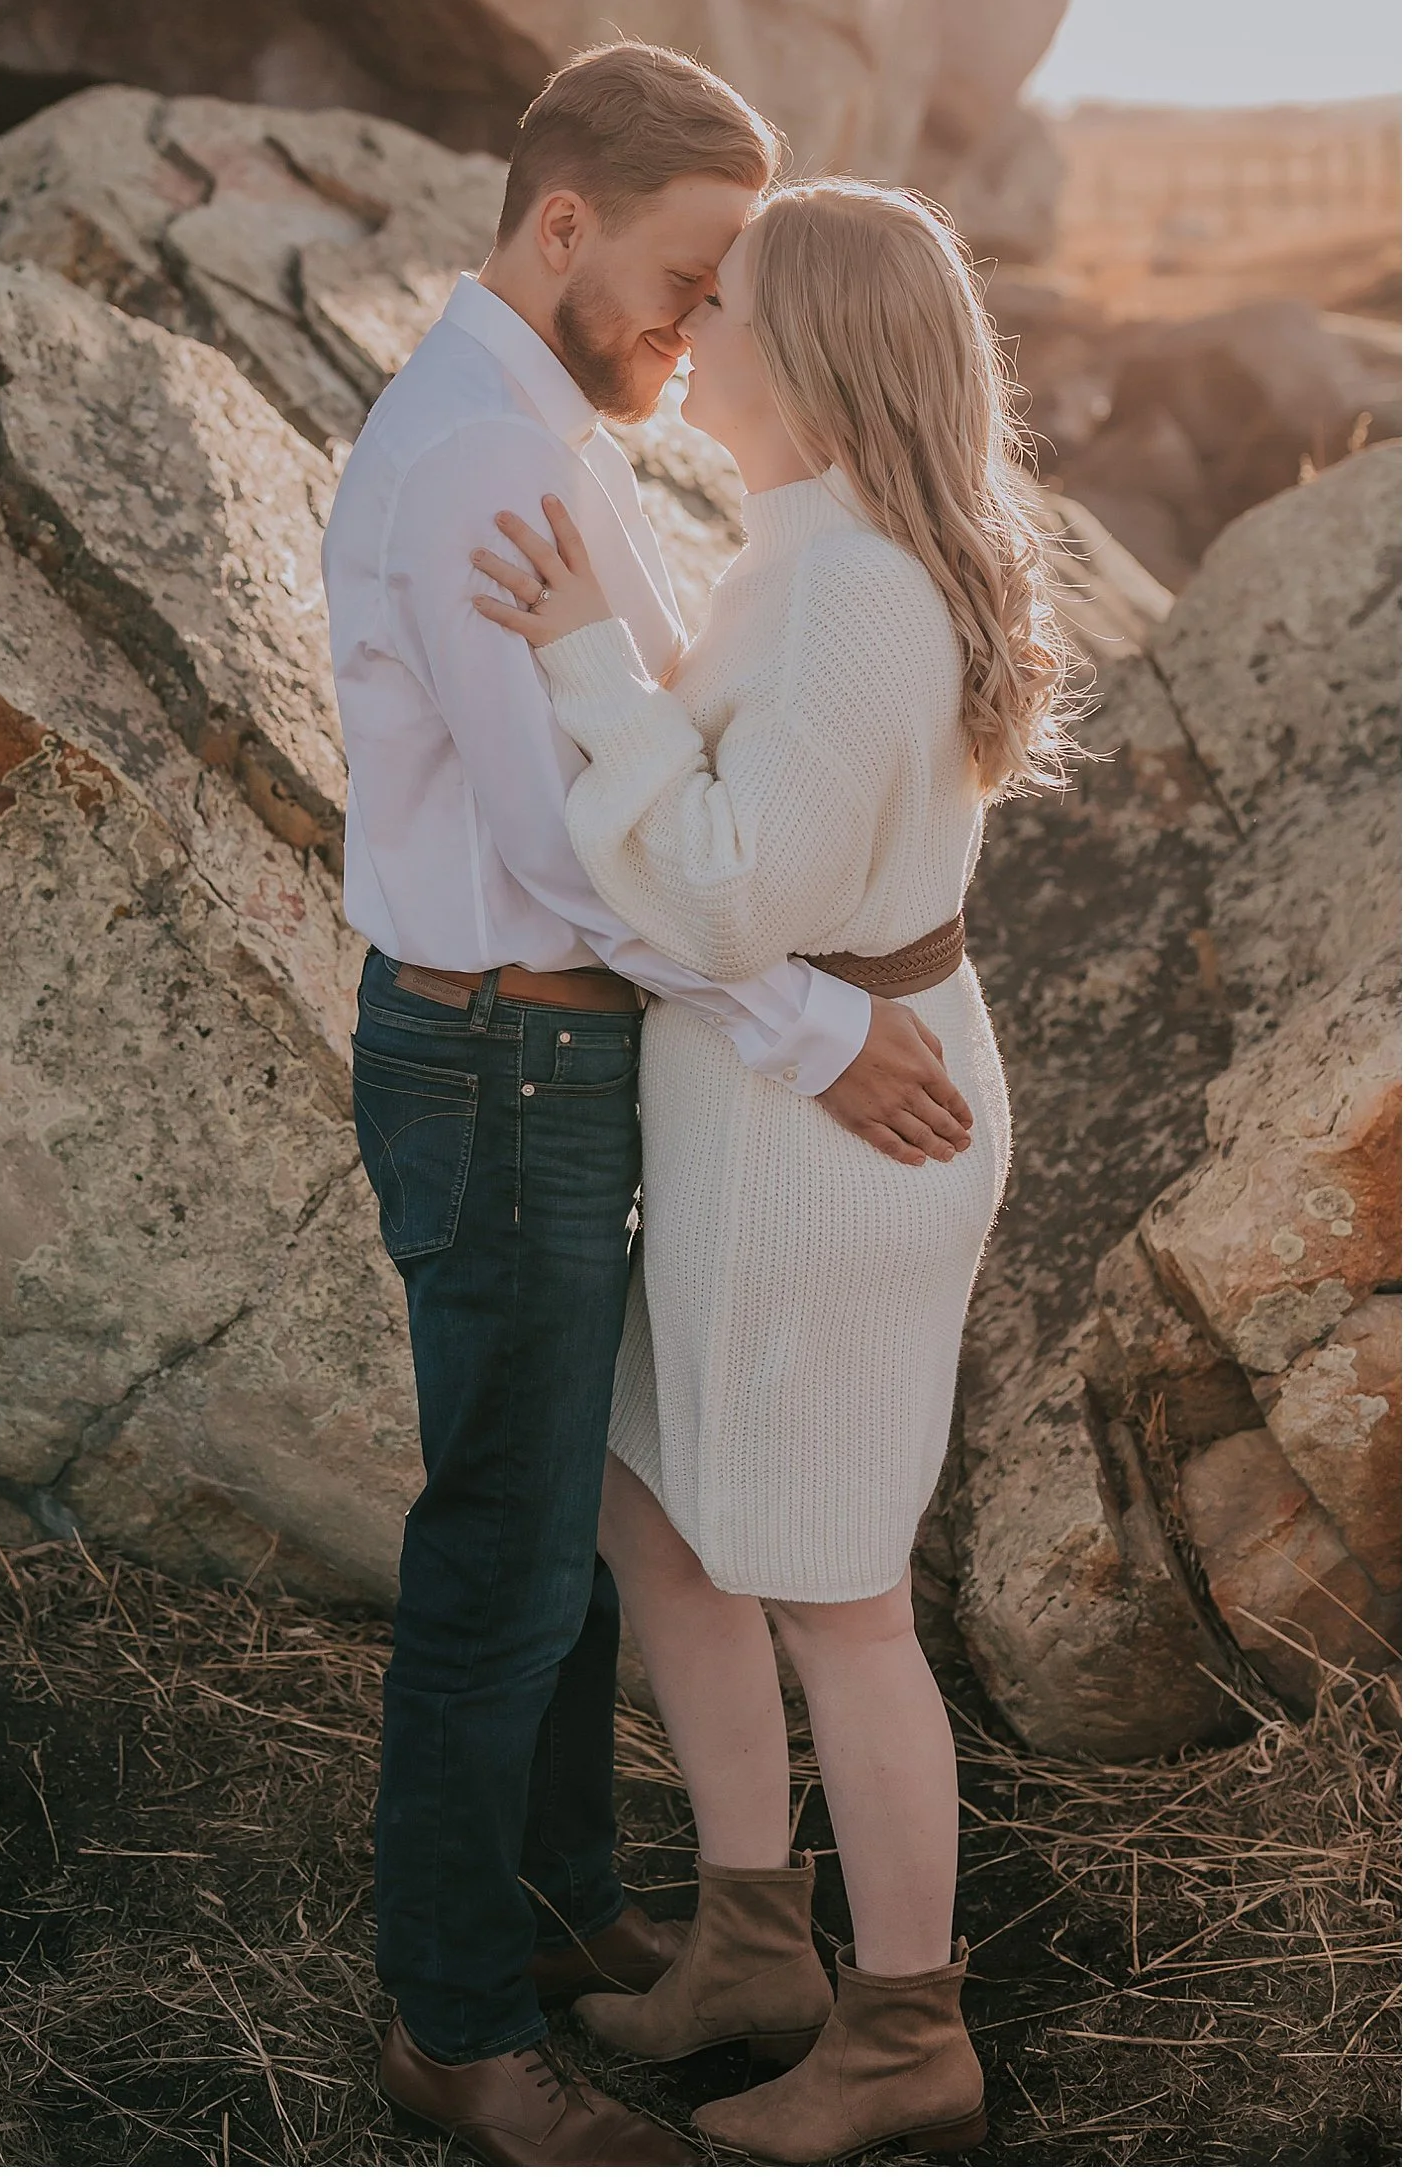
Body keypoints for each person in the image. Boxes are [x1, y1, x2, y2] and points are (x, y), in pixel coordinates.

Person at [321, 44, 978, 2166]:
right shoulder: (474, 463)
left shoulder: (563, 445)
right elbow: (567, 842)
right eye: (685, 278)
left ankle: (613, 1921)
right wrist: (805, 1027)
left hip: (579, 1053)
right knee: (515, 1559)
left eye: (736, 300)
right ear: (564, 222)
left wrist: (801, 1007)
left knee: (589, 1539)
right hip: (509, 1044)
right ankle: (465, 2020)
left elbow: (693, 798)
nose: (693, 330)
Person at [471, 175, 1070, 2163]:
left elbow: (732, 891)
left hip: (832, 1142)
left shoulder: (847, 593)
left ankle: (904, 2029)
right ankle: (752, 1936)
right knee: (657, 1512)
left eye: (722, 307)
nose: (687, 335)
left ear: (812, 350)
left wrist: (579, 666)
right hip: (773, 1123)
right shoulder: (807, 556)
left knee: (837, 1598)